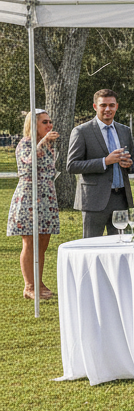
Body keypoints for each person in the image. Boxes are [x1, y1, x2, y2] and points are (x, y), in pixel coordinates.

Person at [67, 89, 134, 238]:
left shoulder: (125, 131)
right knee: (92, 246)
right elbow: (72, 165)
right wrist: (105, 162)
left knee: (121, 245)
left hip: (121, 199)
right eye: (103, 105)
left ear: (117, 106)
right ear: (95, 106)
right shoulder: (81, 131)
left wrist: (129, 164)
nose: (107, 109)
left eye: (111, 105)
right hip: (94, 200)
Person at [8, 110, 60, 300]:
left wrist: (47, 143)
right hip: (29, 196)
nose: (49, 125)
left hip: (47, 196)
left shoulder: (50, 145)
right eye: (45, 122)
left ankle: (38, 281)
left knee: (43, 242)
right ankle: (29, 286)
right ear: (34, 123)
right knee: (30, 242)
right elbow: (28, 163)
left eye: (50, 122)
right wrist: (43, 142)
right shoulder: (25, 143)